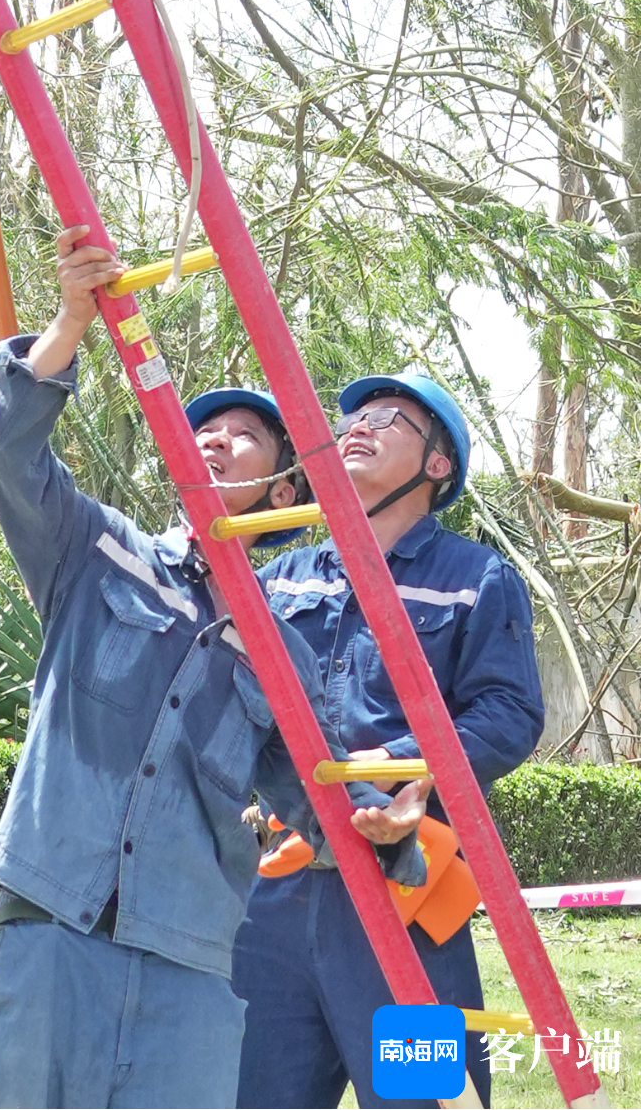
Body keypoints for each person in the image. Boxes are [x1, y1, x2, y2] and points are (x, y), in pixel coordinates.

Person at [0, 228, 432, 1110]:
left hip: (190, 962)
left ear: (284, 492)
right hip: (52, 926)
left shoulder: (285, 649)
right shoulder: (98, 552)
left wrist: (383, 827)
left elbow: (313, 799)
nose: (214, 441)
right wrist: (70, 321)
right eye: (202, 428)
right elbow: (11, 456)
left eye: (243, 437)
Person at [232, 374, 545, 1110]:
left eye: (388, 418)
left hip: (409, 889)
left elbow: (508, 711)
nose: (357, 426)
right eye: (353, 415)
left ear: (438, 463)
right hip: (275, 890)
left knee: (424, 1098)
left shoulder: (475, 578)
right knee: (246, 1092)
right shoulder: (280, 578)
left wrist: (414, 765)